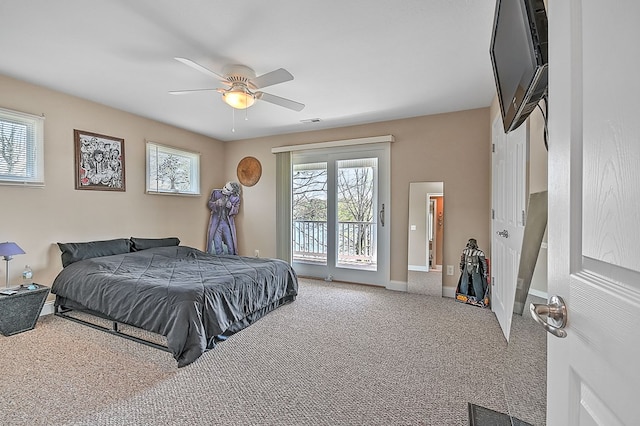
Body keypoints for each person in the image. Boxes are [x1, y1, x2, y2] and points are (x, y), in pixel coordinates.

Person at [206, 181, 241, 255]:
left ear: (232, 192)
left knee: (230, 243)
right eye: (225, 187)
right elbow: (209, 203)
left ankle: (232, 259)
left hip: (227, 223)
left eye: (228, 190)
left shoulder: (235, 198)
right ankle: (218, 258)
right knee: (217, 242)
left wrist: (231, 207)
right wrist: (216, 203)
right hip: (216, 222)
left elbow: (236, 210)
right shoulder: (216, 193)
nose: (224, 189)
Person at [458, 238, 488, 304]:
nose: (471, 245)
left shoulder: (479, 253)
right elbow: (462, 260)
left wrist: (485, 272)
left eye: (472, 243)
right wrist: (461, 267)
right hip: (466, 267)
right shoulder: (465, 251)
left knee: (477, 283)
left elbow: (484, 263)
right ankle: (463, 296)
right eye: (470, 243)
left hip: (475, 268)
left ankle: (479, 298)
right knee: (464, 282)